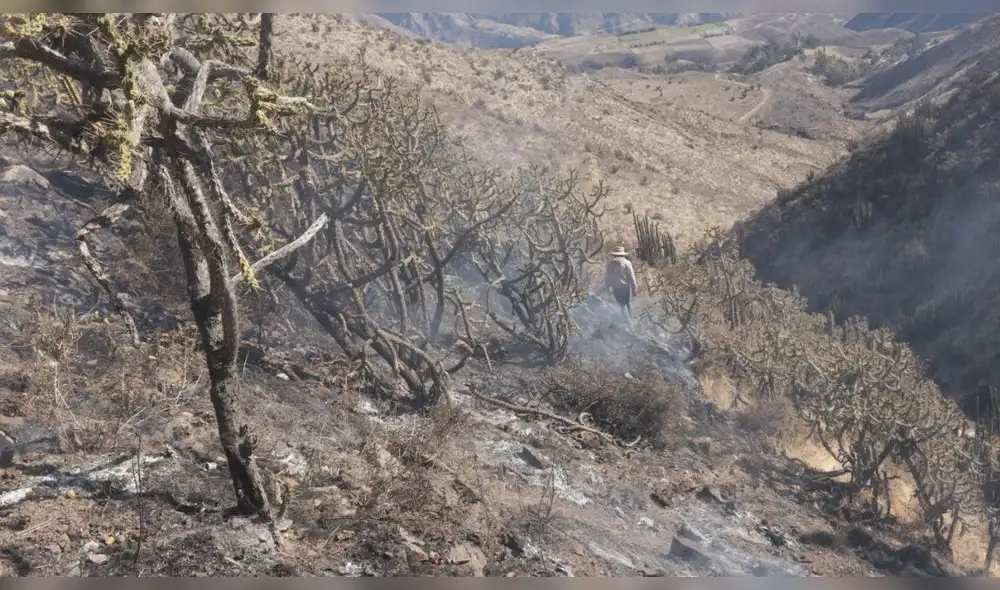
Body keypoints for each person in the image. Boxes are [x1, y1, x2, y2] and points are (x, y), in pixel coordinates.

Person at [604, 246, 638, 326]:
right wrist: (634, 287)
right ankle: (631, 321)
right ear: (623, 254)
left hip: (616, 288)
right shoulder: (627, 263)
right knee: (628, 304)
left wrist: (607, 288)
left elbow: (607, 277)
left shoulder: (610, 264)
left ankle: (623, 322)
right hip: (626, 287)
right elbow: (631, 276)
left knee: (620, 305)